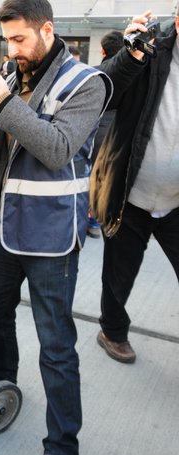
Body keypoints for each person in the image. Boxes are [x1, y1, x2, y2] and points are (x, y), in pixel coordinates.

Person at [0, 0, 110, 455]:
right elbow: (14, 147)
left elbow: (57, 149)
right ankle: (1, 377)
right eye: (7, 40)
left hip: (51, 236)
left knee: (56, 346)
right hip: (8, 226)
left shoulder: (87, 82)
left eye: (20, 39)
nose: (12, 50)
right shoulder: (14, 74)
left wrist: (4, 104)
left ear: (47, 29)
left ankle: (61, 452)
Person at [90, 8, 179, 364]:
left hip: (176, 202)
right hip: (131, 192)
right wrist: (129, 54)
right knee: (119, 274)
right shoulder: (150, 49)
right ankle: (112, 331)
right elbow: (103, 95)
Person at [86, 29, 123, 238]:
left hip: (94, 134)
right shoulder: (133, 74)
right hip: (119, 136)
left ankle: (88, 220)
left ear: (102, 50)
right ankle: (100, 221)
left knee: (88, 178)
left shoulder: (93, 73)